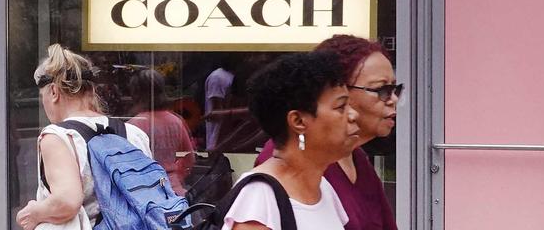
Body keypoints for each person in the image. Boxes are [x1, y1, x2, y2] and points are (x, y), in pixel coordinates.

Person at [254, 36, 400, 230]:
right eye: (381, 89)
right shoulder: (274, 173)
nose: (393, 99)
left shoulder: (354, 157)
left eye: (395, 89)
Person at [15, 44, 153, 230]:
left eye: (43, 96)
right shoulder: (135, 133)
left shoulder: (58, 137)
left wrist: (33, 212)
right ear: (92, 91)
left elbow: (66, 201)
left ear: (54, 92)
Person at [225, 51, 358, 230]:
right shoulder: (259, 199)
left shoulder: (322, 187)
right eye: (341, 107)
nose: (353, 115)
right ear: (298, 121)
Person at [127, 68, 194, 195]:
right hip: (175, 192)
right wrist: (176, 176)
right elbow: (189, 158)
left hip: (147, 194)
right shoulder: (176, 121)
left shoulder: (133, 125)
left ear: (136, 94)